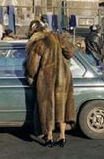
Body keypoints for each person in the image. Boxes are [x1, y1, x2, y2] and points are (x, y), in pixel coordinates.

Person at [25, 20, 75, 148]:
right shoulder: (57, 37)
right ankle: (62, 136)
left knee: (48, 107)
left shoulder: (38, 43)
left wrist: (29, 76)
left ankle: (50, 137)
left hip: (47, 79)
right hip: (63, 77)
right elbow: (69, 52)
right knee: (62, 107)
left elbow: (32, 67)